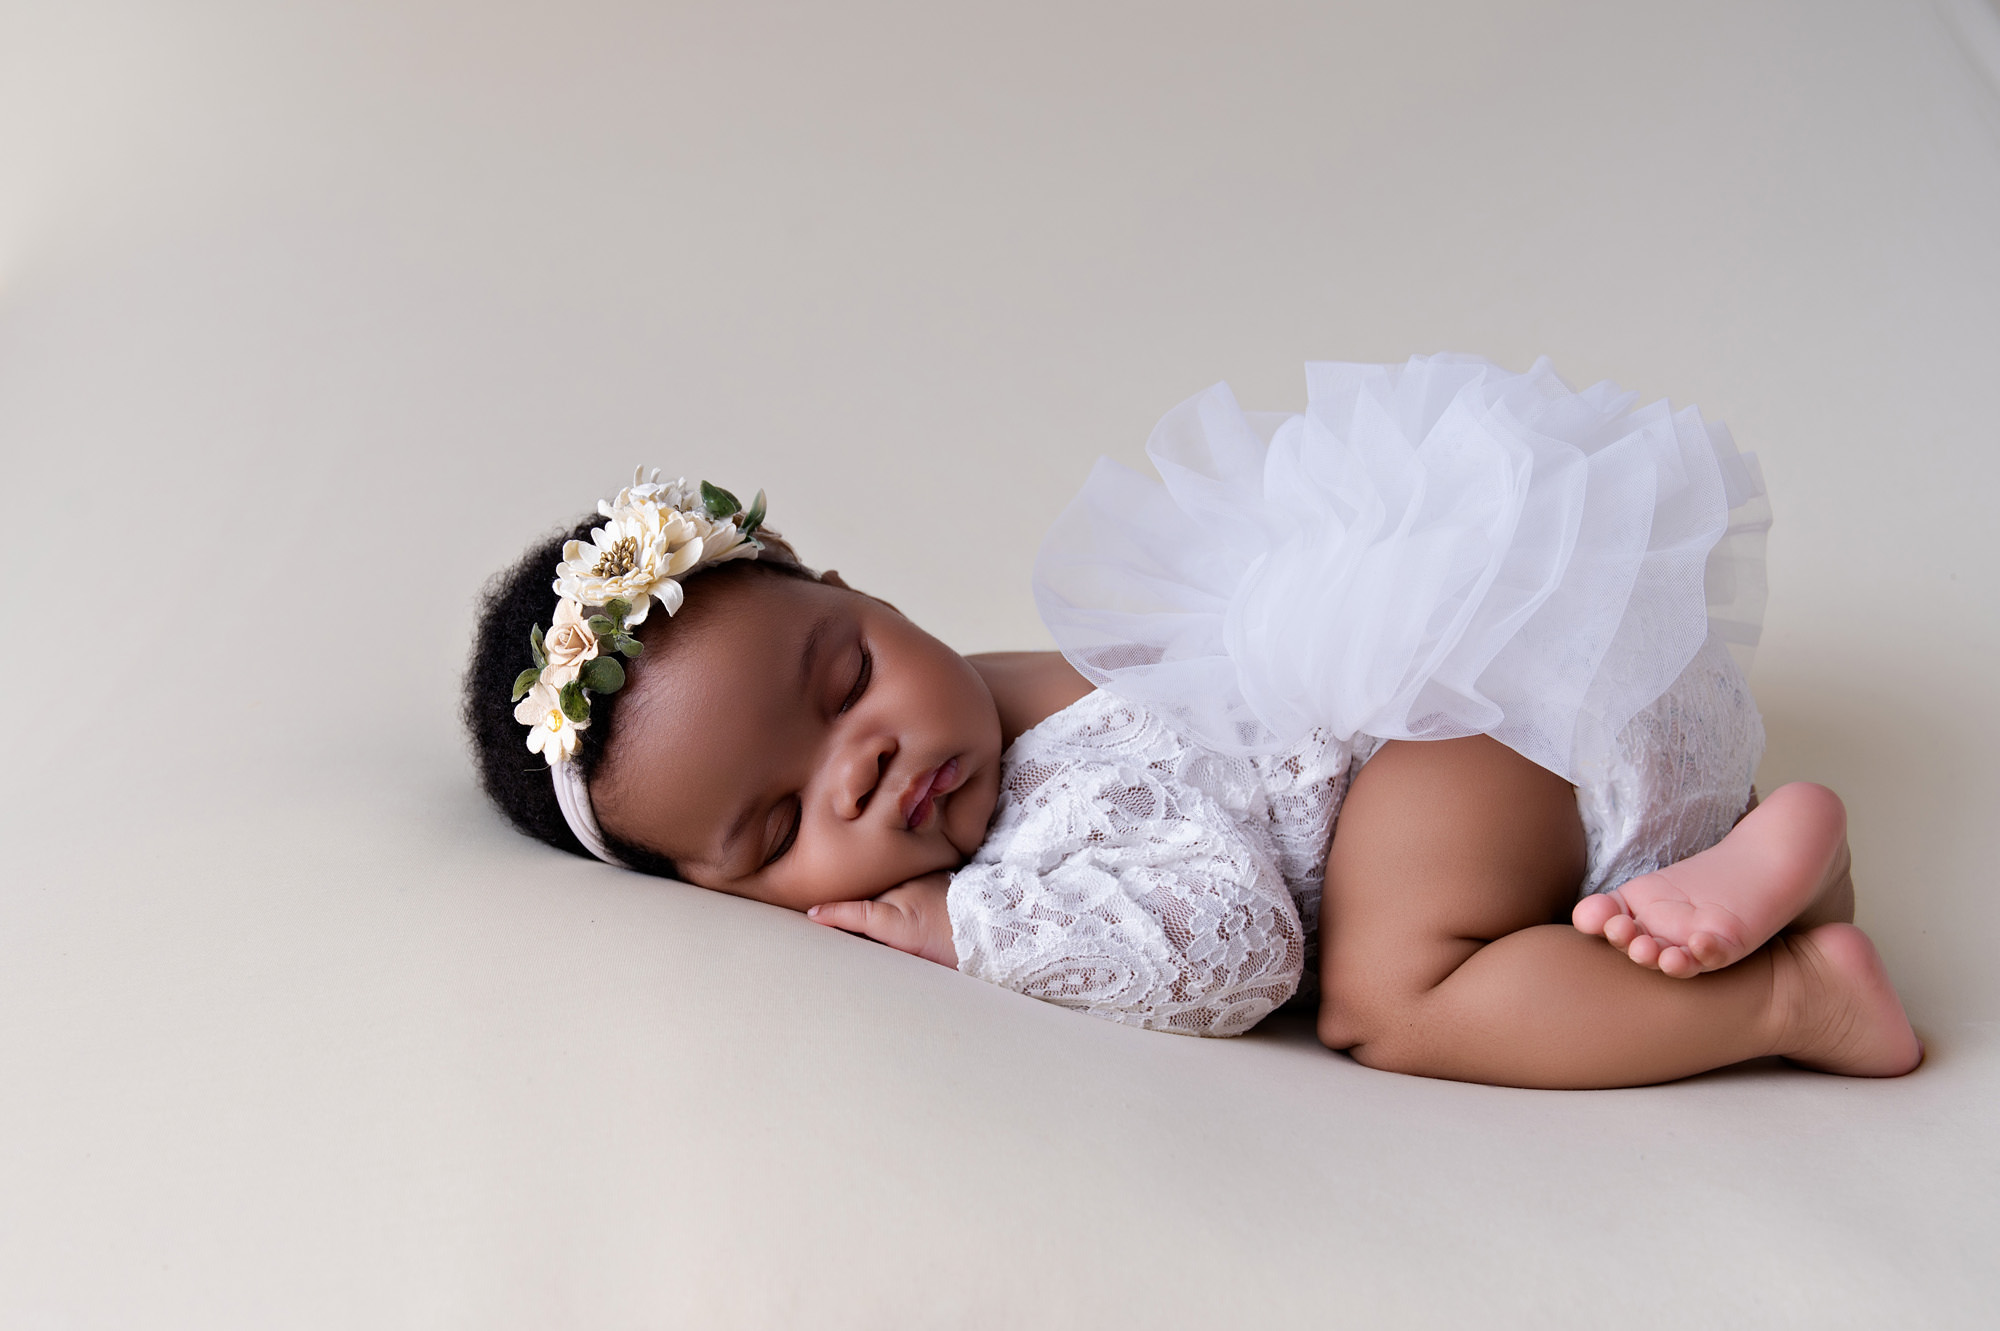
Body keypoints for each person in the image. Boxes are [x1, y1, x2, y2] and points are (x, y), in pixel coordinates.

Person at [462, 355, 1920, 1089]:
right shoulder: (993, 687)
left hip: (1466, 729)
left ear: (859, 595)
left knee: (1389, 1000)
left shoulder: (1019, 839)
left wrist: (976, 930)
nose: (867, 768)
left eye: (845, 687)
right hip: (1575, 727)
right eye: (782, 826)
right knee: (1486, 914)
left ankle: (1789, 1002)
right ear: (721, 895)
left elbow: (1246, 948)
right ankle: (1773, 862)